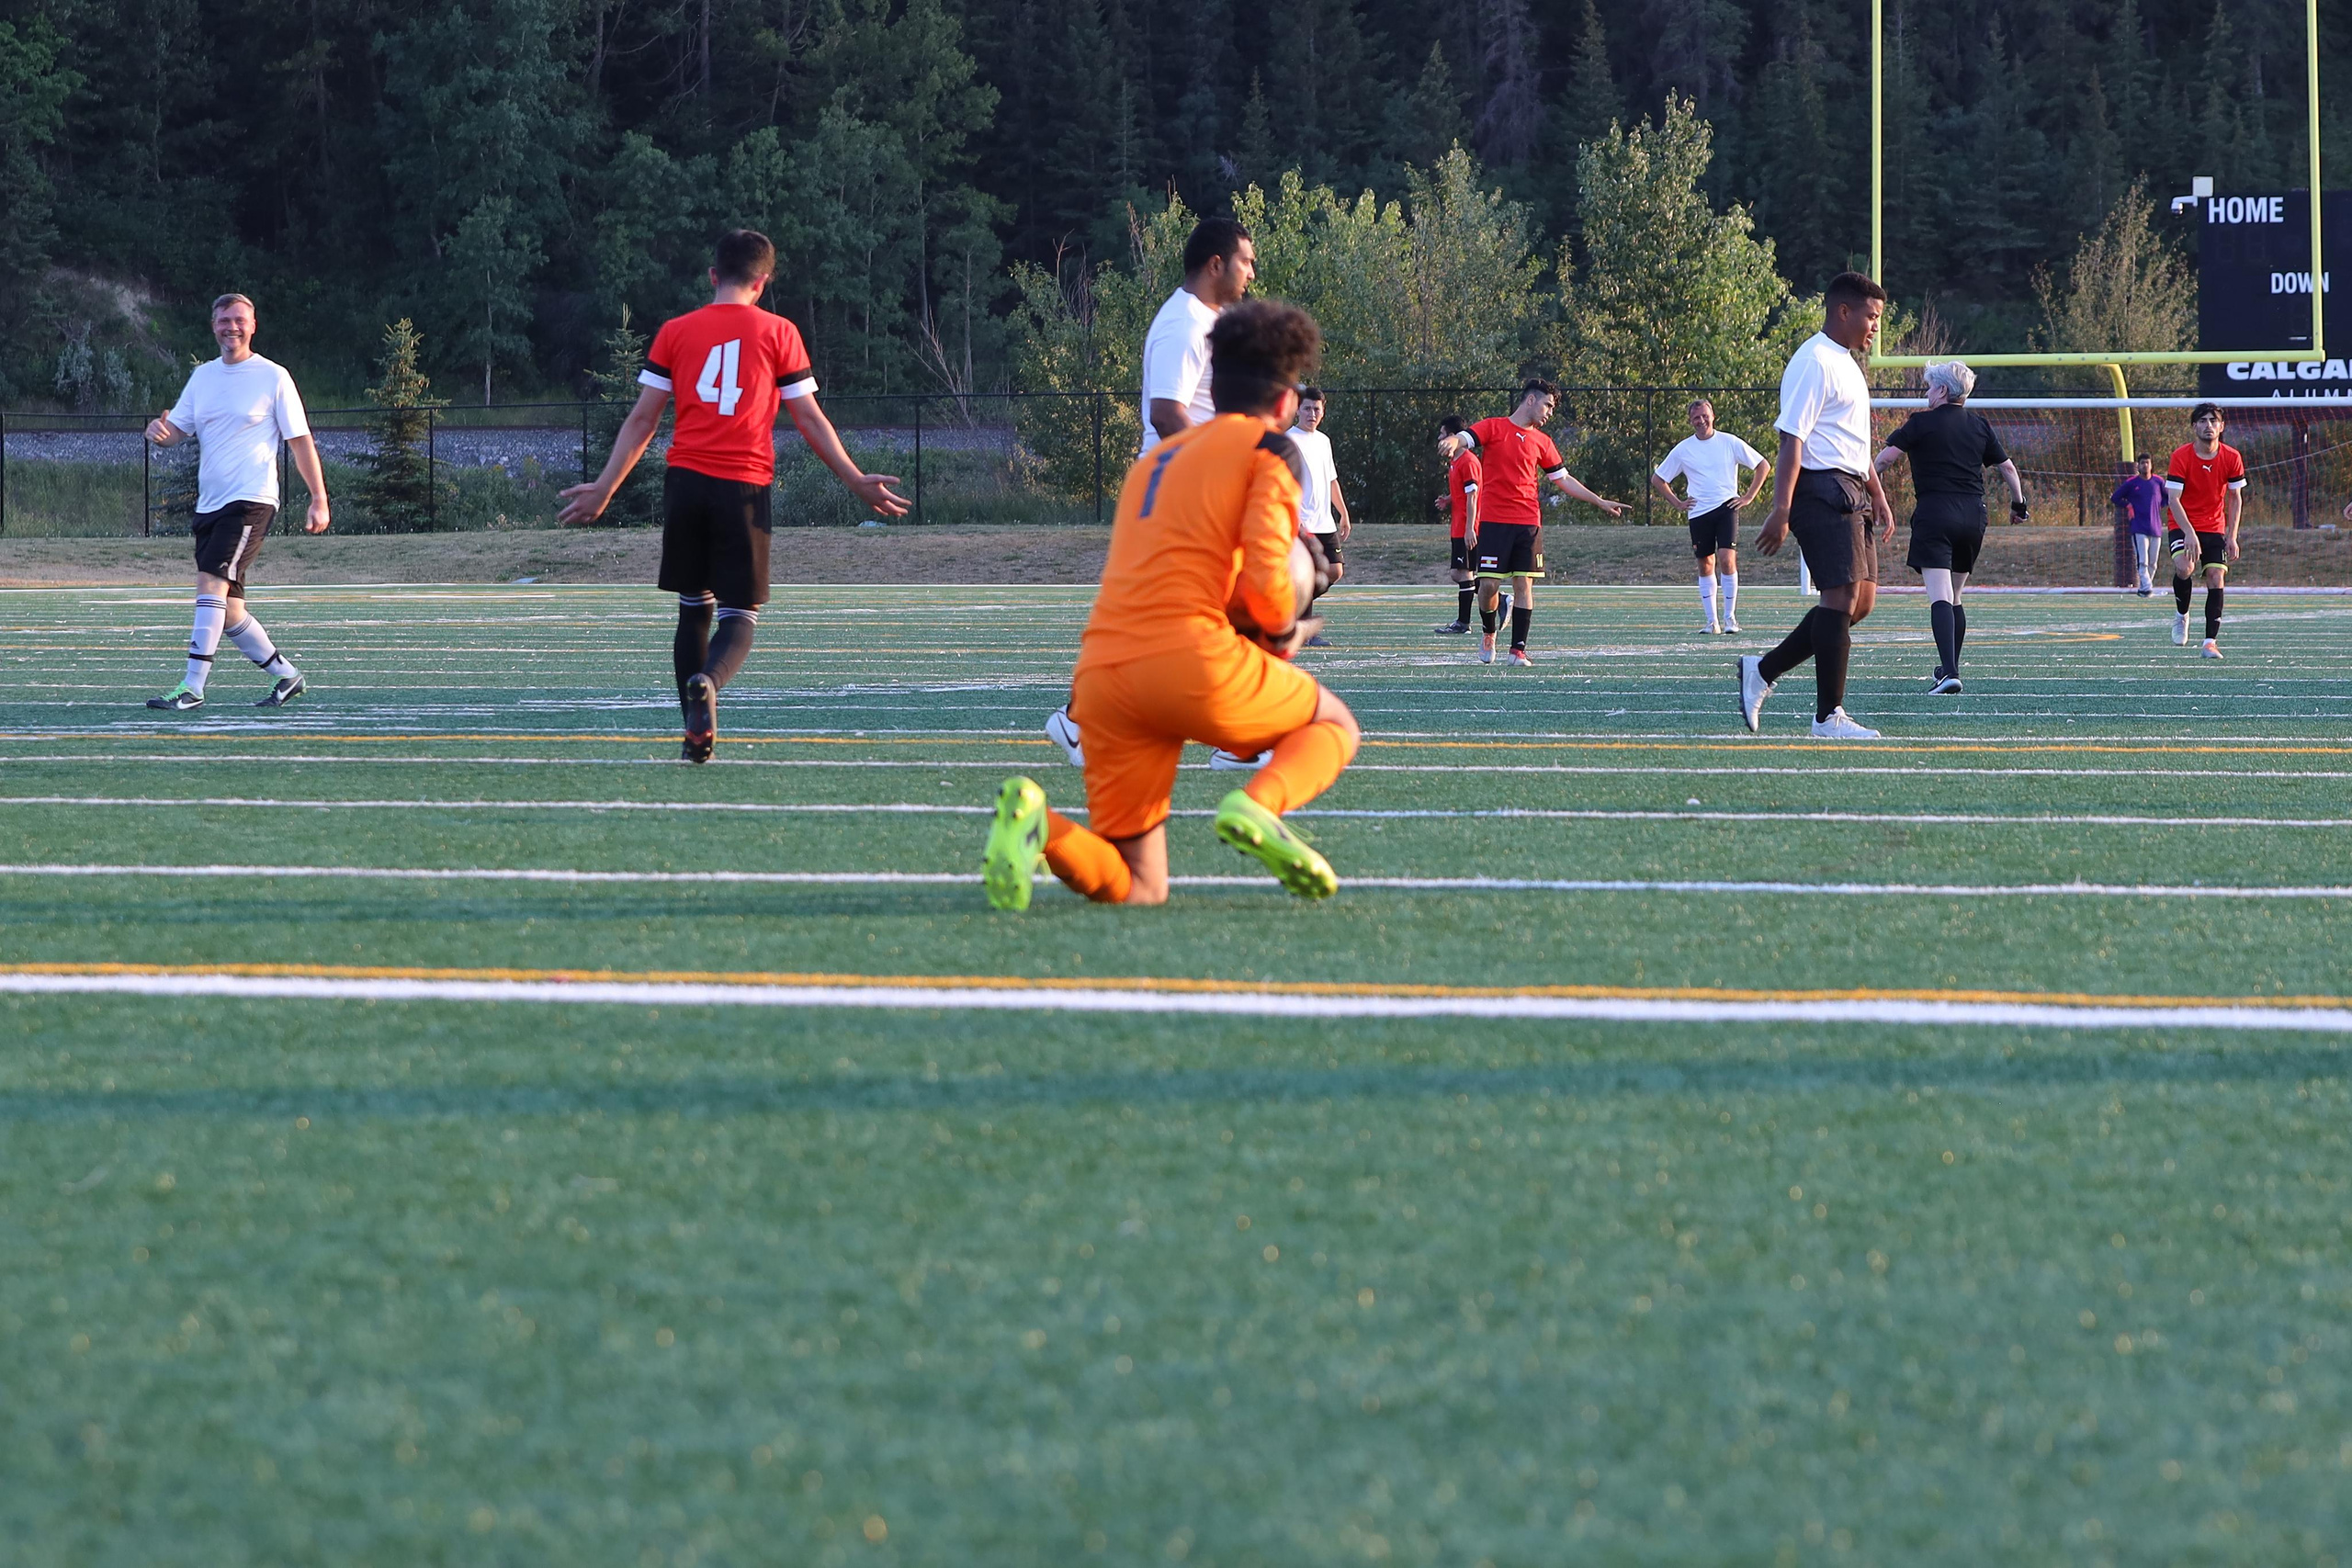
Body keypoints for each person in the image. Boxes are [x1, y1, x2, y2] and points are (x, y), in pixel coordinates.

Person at [981, 300, 1360, 909]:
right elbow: (1267, 585)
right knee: (1334, 724)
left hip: (1103, 675)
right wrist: (1284, 631)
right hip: (1191, 661)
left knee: (1139, 884)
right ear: (1286, 403)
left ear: (1216, 385)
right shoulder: (1270, 450)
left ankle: (1041, 826)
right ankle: (1258, 806)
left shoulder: (1152, 461)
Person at [559, 229, 907, 760]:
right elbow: (809, 419)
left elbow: (643, 420)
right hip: (743, 486)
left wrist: (605, 488)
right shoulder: (780, 332)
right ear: (762, 283)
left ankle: (694, 730)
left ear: (713, 276)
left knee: (692, 609)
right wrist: (855, 478)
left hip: (685, 484)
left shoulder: (676, 331)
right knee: (740, 614)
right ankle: (710, 684)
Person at [1046, 217, 1257, 768]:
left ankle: (1082, 720)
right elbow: (1166, 413)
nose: (1252, 273)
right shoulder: (1184, 324)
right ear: (1216, 264)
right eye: (1246, 261)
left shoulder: (1210, 321)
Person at [141, 294, 327, 711]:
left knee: (210, 583)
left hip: (250, 501)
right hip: (210, 505)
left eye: (240, 320)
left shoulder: (273, 376)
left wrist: (319, 498)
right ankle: (287, 675)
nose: (232, 327)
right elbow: (177, 431)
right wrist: (160, 432)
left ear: (253, 325)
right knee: (228, 610)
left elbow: (300, 441)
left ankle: (192, 687)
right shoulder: (203, 377)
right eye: (225, 320)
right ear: (214, 326)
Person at [1738, 271, 1896, 739]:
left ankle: (1762, 670)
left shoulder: (1848, 363)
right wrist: (1781, 509)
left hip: (1852, 489)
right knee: (1840, 598)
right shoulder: (1814, 360)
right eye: (1871, 316)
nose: (1875, 327)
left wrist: (1878, 493)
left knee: (1860, 603)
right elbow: (1793, 439)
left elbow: (1852, 443)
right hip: (1821, 489)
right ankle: (1828, 716)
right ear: (1843, 311)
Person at [1436, 378, 1629, 665]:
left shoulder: (1543, 441)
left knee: (1524, 585)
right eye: (1547, 405)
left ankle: (1518, 650)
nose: (1550, 412)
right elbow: (1467, 438)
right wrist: (1454, 440)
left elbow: (1563, 479)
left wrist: (1598, 500)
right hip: (1494, 522)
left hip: (1528, 523)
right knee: (1487, 585)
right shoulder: (1494, 427)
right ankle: (1489, 632)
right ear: (1530, 400)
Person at [1871, 360, 2027, 694]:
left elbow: (1884, 460)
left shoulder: (1920, 422)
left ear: (1942, 390)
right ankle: (1948, 667)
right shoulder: (1979, 424)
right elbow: (2009, 469)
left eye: (1930, 387)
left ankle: (1950, 673)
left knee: (1940, 596)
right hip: (1973, 516)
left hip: (1935, 513)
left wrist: (1862, 485)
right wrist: (2019, 506)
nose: (1927, 393)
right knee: (1955, 596)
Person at [1650, 398, 1770, 635]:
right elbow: (1658, 479)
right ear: (1690, 421)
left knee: (1727, 558)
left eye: (1705, 416)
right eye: (1696, 417)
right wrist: (1677, 503)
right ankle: (1711, 621)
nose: (1701, 421)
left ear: (1713, 416)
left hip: (1727, 507)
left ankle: (1730, 618)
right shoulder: (1683, 449)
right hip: (1698, 512)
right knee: (1705, 563)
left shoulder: (1729, 442)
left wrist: (1748, 497)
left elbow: (1763, 465)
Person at [2164, 402, 2245, 660]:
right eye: (2202, 421)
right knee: (2184, 568)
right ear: (2194, 427)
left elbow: (2235, 498)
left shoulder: (2232, 457)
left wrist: (2232, 536)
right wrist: (2189, 532)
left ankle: (2210, 642)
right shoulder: (2180, 456)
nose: (2208, 425)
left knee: (2216, 577)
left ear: (2221, 427)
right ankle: (2181, 614)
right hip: (2182, 524)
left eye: (2213, 420)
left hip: (2214, 527)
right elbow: (2173, 499)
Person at [1287, 386, 1350, 645]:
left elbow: (1332, 479)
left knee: (1335, 570)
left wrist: (1343, 513)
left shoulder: (1324, 441)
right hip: (1302, 521)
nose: (1311, 414)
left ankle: (1290, 613)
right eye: (1307, 409)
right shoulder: (1289, 440)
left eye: (1316, 409)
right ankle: (1305, 629)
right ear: (1297, 411)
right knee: (1307, 571)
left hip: (1324, 520)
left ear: (1323, 412)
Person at [1433, 415, 1481, 633]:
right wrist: (1448, 499)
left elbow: (1473, 497)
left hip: (1467, 526)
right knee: (1460, 573)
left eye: (1442, 434)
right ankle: (1498, 598)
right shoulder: (1455, 461)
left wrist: (1470, 528)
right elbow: (1463, 492)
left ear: (1453, 436)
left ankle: (1464, 623)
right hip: (1459, 525)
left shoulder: (1468, 461)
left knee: (1463, 573)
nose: (1439, 438)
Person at [2111, 453, 2166, 596]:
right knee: (2143, 561)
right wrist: (2128, 505)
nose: (2145, 465)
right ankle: (2147, 587)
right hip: (2139, 527)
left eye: (2147, 463)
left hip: (2156, 528)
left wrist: (2159, 506)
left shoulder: (2158, 482)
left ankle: (2144, 589)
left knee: (2153, 563)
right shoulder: (2132, 483)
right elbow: (2115, 497)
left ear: (2151, 465)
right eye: (2142, 463)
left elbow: (2168, 497)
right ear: (2138, 466)